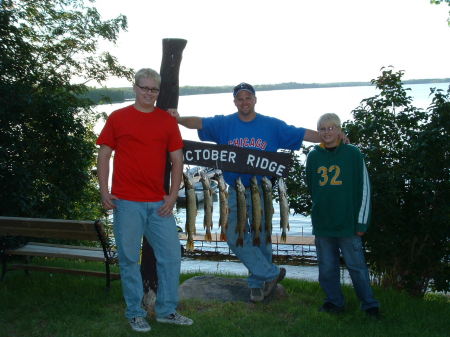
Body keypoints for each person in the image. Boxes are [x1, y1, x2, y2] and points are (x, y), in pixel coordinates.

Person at [171, 82, 323, 302]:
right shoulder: (224, 124)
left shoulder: (272, 125)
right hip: (235, 191)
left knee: (261, 237)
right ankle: (270, 273)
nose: (244, 102)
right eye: (240, 98)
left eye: (248, 97)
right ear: (235, 101)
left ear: (255, 100)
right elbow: (199, 122)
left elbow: (301, 134)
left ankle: (257, 284)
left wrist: (329, 136)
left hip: (262, 190)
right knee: (234, 235)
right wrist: (178, 119)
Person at [96, 68, 193, 332]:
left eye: (153, 89)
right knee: (128, 259)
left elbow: (177, 160)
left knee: (171, 256)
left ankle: (166, 310)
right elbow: (104, 155)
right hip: (126, 202)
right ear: (135, 87)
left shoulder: (166, 121)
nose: (148, 93)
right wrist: (104, 190)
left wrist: (173, 195)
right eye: (144, 88)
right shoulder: (118, 117)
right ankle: (135, 312)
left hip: (159, 203)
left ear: (158, 92)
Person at [305, 113, 380, 318]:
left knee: (357, 267)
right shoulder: (313, 156)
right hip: (323, 225)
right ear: (318, 132)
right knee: (327, 268)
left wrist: (362, 222)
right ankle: (334, 302)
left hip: (349, 224)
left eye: (331, 128)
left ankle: (370, 305)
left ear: (339, 130)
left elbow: (365, 189)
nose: (327, 132)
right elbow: (311, 187)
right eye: (322, 129)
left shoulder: (353, 153)